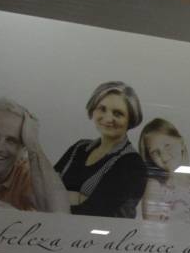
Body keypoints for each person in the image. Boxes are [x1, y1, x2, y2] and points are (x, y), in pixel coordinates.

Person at [54, 81, 148, 218]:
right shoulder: (79, 148)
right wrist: (78, 197)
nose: (108, 118)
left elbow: (94, 212)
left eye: (118, 113)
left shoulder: (133, 164)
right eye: (102, 109)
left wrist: (58, 196)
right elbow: (43, 188)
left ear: (130, 119)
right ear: (93, 109)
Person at [137, 118, 190, 223]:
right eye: (155, 152)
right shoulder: (154, 186)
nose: (164, 156)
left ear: (181, 142)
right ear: (150, 158)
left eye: (168, 146)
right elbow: (151, 228)